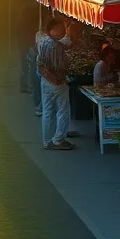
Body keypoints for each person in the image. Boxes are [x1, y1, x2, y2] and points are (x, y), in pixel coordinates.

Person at [37, 17, 75, 150]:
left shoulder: (43, 41)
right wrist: (61, 78)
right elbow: (60, 65)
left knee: (48, 111)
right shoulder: (55, 45)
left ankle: (47, 141)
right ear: (51, 29)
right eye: (59, 29)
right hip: (57, 82)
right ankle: (58, 139)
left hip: (45, 81)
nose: (61, 31)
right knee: (63, 110)